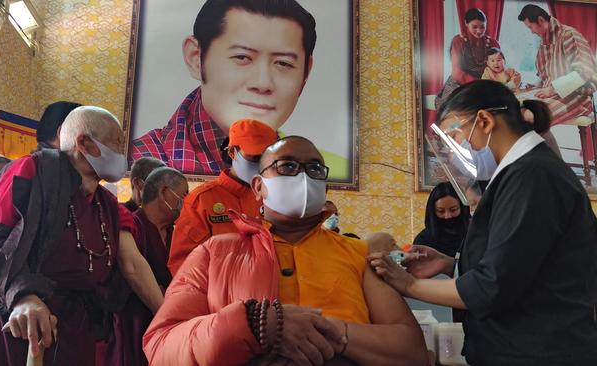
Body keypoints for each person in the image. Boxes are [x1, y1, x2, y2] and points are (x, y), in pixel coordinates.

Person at [369, 80, 597, 366]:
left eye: (454, 137)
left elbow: (493, 286)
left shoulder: (533, 176)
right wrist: (449, 264)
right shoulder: (518, 175)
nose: (455, 151)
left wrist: (406, 284)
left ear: (483, 120)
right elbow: (520, 266)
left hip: (540, 353)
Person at [144, 136, 428, 366]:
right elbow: (161, 346)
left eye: (315, 169)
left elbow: (410, 350)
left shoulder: (358, 253)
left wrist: (334, 333)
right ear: (258, 186)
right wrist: (256, 324)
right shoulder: (215, 253)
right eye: (287, 166)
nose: (303, 176)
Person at [0, 106, 165, 366]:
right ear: (85, 143)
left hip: (72, 326)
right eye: (117, 142)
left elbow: (132, 266)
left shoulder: (107, 204)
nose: (124, 153)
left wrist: (168, 316)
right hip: (13, 318)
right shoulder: (30, 170)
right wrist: (24, 296)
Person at [129, 0, 315, 175]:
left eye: (283, 63)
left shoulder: (308, 168)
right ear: (196, 58)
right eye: (242, 57)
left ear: (306, 73)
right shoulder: (137, 161)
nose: (262, 83)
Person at [167, 119, 277, 275]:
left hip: (269, 292)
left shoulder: (274, 197)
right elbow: (183, 264)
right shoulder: (201, 201)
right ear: (232, 152)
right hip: (218, 294)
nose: (261, 164)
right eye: (254, 157)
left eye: (267, 159)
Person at [106, 167, 188, 366]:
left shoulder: (177, 234)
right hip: (133, 325)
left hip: (170, 325)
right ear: (164, 193)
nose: (187, 201)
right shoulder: (131, 227)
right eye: (184, 194)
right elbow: (124, 274)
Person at [519, 5, 597, 129]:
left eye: (530, 27)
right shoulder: (544, 42)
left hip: (577, 96)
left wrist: (551, 89)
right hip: (554, 94)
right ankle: (542, 147)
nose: (532, 31)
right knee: (515, 110)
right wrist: (536, 84)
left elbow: (584, 72)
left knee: (529, 116)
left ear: (540, 20)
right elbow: (549, 75)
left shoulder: (569, 35)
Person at [435, 8, 500, 110]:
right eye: (474, 27)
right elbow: (457, 73)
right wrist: (478, 84)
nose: (479, 31)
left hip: (485, 82)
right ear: (466, 23)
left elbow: (499, 66)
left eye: (482, 27)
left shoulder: (493, 43)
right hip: (460, 83)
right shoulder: (458, 41)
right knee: (458, 108)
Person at [414, 182, 470, 258]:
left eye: (453, 210)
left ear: (463, 208)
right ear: (433, 211)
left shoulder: (475, 233)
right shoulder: (423, 240)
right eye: (441, 211)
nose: (447, 216)